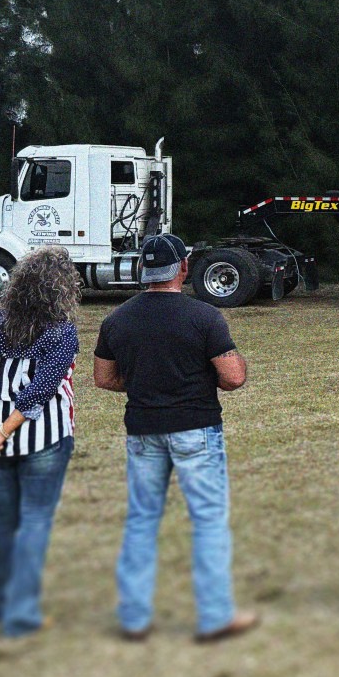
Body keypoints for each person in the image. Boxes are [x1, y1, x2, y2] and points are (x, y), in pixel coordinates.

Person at [94, 234, 257, 644]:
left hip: (143, 430)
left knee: (142, 521)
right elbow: (233, 377)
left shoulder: (116, 320)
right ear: (182, 268)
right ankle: (216, 614)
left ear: (144, 271)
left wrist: (145, 382)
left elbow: (104, 378)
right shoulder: (204, 317)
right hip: (196, 428)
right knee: (207, 521)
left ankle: (133, 617)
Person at [0, 247, 81, 638]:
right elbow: (39, 393)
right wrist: (1, 433)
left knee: (0, 524)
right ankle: (21, 613)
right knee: (34, 524)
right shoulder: (62, 332)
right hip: (43, 441)